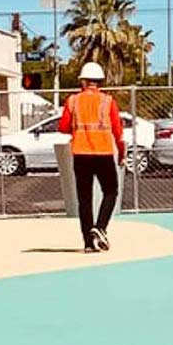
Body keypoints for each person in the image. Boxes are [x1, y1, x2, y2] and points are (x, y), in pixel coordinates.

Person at [59, 63, 125, 252]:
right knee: (111, 192)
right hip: (103, 153)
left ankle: (88, 243)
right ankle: (100, 227)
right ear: (100, 82)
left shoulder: (73, 101)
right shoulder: (108, 101)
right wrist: (121, 153)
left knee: (84, 199)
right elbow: (118, 132)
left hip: (80, 154)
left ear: (83, 81)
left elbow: (63, 127)